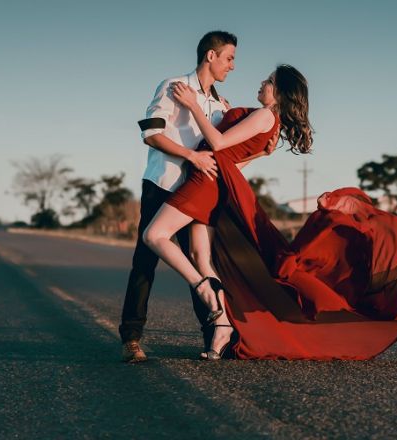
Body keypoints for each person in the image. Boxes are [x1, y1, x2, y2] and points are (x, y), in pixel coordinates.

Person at [145, 64, 397, 361]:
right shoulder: (270, 121)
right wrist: (253, 148)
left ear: (279, 93)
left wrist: (192, 105)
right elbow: (233, 162)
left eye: (269, 81)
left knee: (155, 235)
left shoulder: (266, 114)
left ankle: (204, 290)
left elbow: (217, 144)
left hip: (204, 181)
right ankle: (223, 325)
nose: (262, 83)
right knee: (200, 257)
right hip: (216, 182)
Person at [119, 30, 235, 363]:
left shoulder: (219, 104)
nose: (232, 66)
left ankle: (213, 335)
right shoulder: (173, 86)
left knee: (199, 260)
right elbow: (151, 134)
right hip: (164, 183)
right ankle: (131, 338)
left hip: (198, 192)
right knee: (146, 259)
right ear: (210, 56)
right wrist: (191, 156)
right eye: (229, 58)